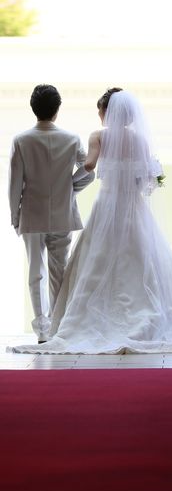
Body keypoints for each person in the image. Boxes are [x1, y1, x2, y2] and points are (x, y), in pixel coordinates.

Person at [10, 88, 172, 354]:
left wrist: (64, 186)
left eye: (100, 110)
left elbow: (88, 166)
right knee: (138, 260)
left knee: (83, 263)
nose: (99, 115)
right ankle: (139, 316)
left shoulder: (98, 136)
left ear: (107, 112)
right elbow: (145, 178)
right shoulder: (139, 140)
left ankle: (52, 326)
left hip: (102, 207)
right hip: (133, 207)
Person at [9, 84, 95, 343]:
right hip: (62, 214)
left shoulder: (21, 140)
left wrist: (15, 217)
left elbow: (15, 184)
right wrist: (70, 188)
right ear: (57, 110)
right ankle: (58, 326)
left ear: (33, 108)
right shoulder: (71, 139)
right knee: (60, 270)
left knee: (36, 272)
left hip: (31, 215)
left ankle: (42, 331)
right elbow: (88, 171)